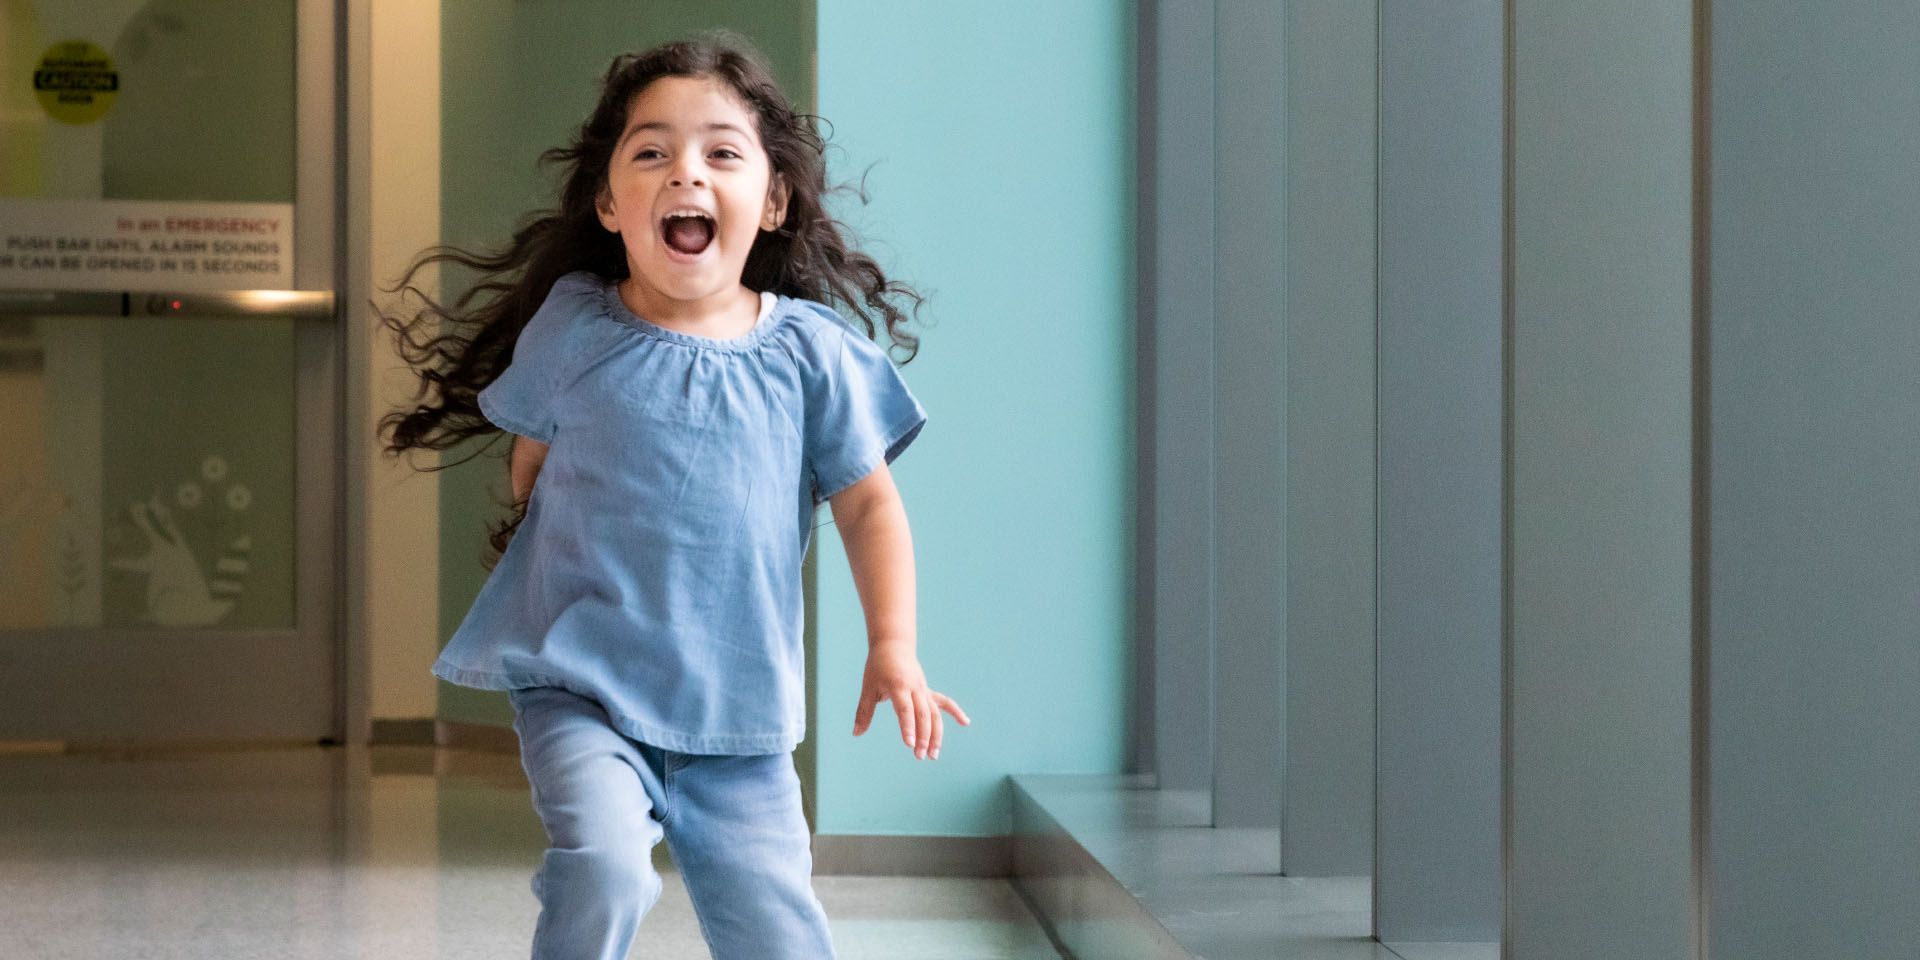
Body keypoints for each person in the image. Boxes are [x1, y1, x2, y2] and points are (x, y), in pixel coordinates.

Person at [379, 35, 968, 960]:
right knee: (608, 866)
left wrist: (895, 647)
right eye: (651, 152)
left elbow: (868, 507)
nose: (685, 172)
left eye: (722, 153)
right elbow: (530, 461)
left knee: (779, 934)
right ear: (611, 203)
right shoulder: (575, 325)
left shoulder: (813, 355)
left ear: (771, 202)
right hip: (582, 690)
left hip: (739, 721)